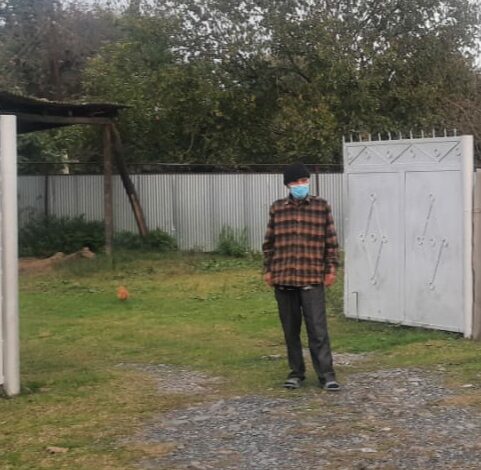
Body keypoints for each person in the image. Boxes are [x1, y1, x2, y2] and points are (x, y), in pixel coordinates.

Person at [262, 162, 340, 391]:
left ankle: (327, 375)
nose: (301, 185)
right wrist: (268, 269)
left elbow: (331, 242)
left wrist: (331, 269)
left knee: (318, 329)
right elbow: (269, 243)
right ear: (288, 184)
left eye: (304, 181)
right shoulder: (278, 209)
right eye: (296, 182)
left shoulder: (321, 207)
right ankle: (296, 373)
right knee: (291, 330)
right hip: (284, 278)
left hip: (312, 278)